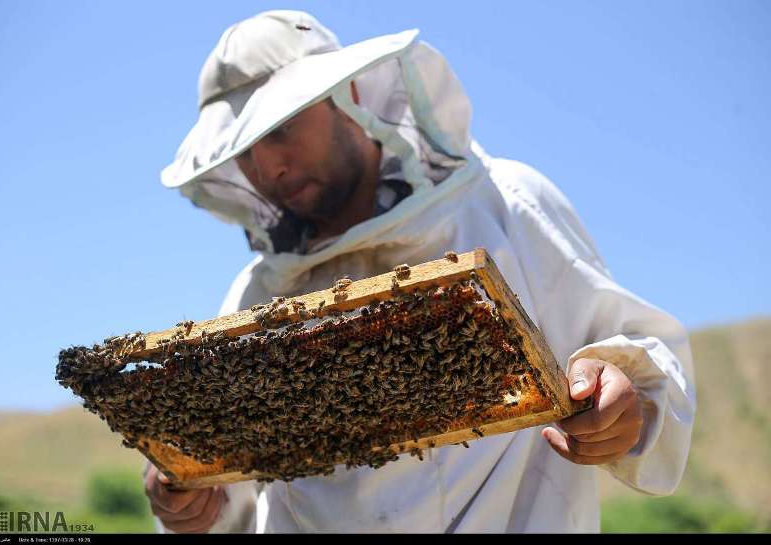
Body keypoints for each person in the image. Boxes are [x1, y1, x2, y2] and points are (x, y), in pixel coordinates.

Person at [144, 10, 696, 533]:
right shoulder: (255, 294)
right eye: (242, 152)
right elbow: (236, 497)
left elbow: (645, 367)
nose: (267, 167)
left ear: (349, 95)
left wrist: (625, 400)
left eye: (279, 130)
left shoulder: (504, 205)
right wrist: (191, 501)